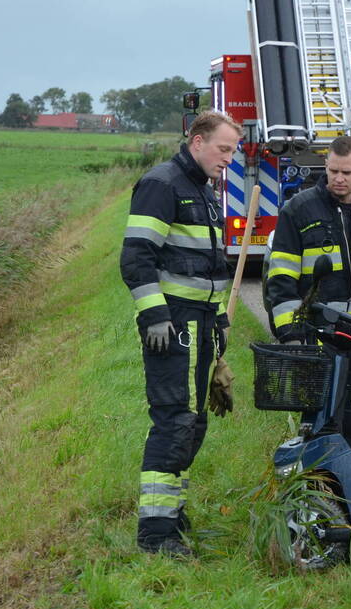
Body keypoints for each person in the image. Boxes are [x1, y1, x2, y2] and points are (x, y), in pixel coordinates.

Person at [120, 111, 243, 557]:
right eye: (223, 149)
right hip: (173, 325)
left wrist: (221, 325)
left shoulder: (205, 191)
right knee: (175, 422)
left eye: (233, 151)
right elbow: (136, 258)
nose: (229, 159)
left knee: (194, 424)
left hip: (201, 325)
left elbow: (207, 267)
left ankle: (173, 515)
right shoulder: (163, 184)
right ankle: (156, 535)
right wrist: (155, 316)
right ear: (196, 141)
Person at [265, 135, 351, 449]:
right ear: (325, 165)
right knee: (320, 422)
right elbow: (281, 277)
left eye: (347, 172)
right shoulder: (297, 210)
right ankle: (316, 492)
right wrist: (292, 335)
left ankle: (341, 493)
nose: (339, 178)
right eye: (334, 170)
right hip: (319, 337)